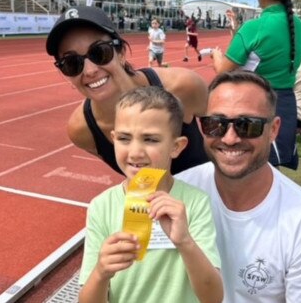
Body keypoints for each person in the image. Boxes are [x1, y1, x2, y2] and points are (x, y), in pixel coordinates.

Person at [176, 69, 301, 302]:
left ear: (273, 129)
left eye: (247, 125)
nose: (230, 138)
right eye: (216, 124)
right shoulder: (177, 194)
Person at [78, 86, 223, 303]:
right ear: (113, 138)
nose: (135, 152)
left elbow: (213, 297)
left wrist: (185, 242)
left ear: (176, 146)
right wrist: (101, 272)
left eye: (151, 139)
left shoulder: (194, 202)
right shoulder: (101, 206)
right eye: (125, 138)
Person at [46, 6, 209, 175]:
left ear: (121, 53)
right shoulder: (82, 130)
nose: (90, 70)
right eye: (71, 63)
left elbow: (228, 139)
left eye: (99, 52)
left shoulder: (182, 86)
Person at [211, 0, 301, 170]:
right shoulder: (298, 25)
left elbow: (223, 71)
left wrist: (216, 56)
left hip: (254, 103)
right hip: (286, 103)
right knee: (273, 168)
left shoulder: (255, 26)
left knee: (247, 165)